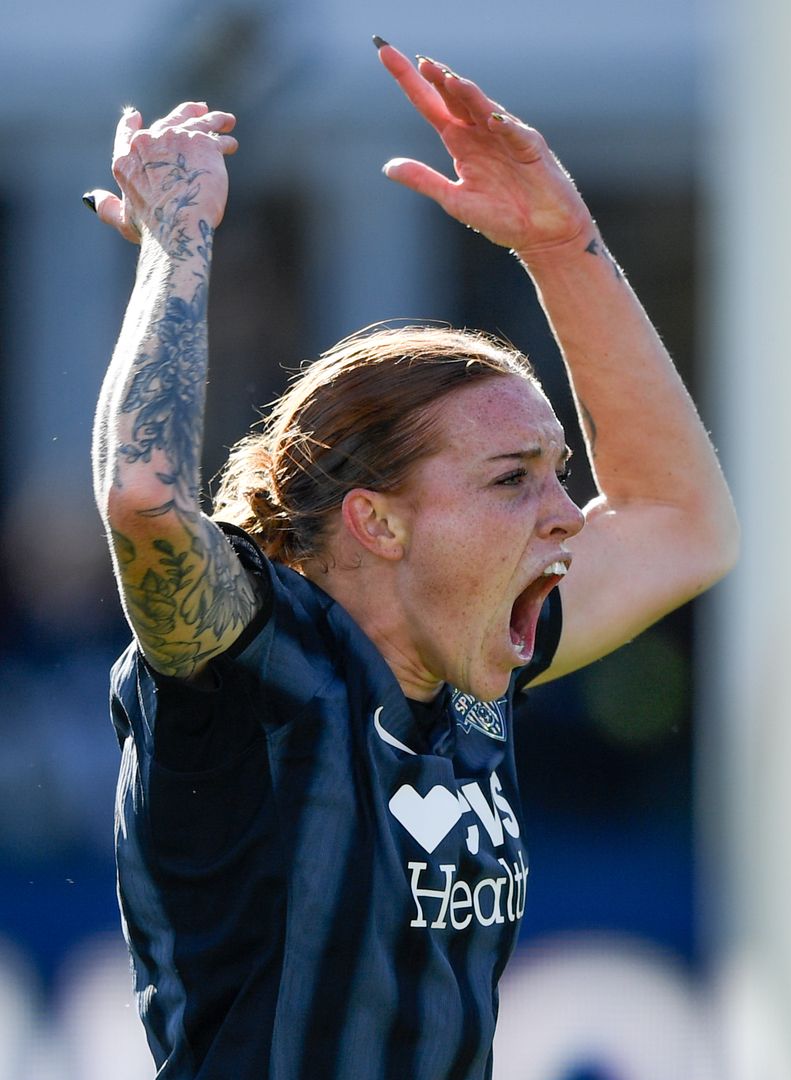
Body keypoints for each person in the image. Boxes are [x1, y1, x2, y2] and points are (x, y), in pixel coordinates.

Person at [85, 37, 737, 1078]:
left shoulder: (472, 667)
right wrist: (175, 242)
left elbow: (679, 522)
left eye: (558, 474)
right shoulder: (256, 663)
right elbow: (143, 496)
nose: (567, 514)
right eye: (512, 478)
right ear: (377, 523)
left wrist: (563, 247)